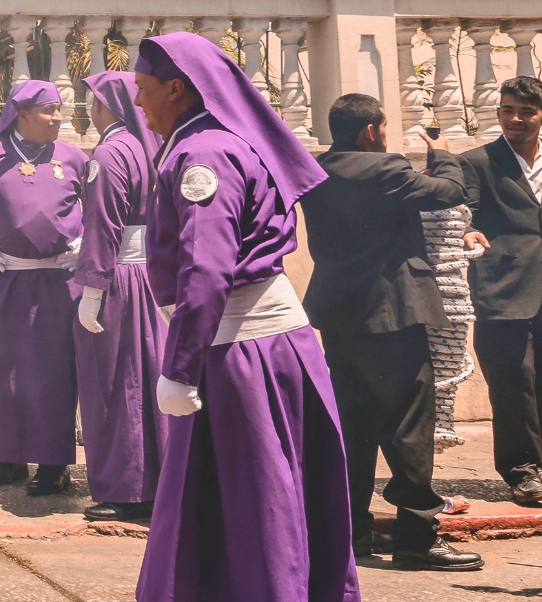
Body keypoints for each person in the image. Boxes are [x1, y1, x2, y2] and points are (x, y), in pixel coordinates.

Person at [132, 31, 358, 602]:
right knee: (248, 495)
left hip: (240, 351)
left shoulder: (202, 154)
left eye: (144, 88)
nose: (137, 101)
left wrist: (179, 367)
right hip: (250, 343)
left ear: (176, 89)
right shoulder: (208, 142)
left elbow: (207, 271)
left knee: (256, 497)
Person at [301, 92, 482, 570]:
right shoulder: (384, 170)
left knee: (354, 429)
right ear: (370, 130)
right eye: (383, 124)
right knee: (408, 428)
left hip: (341, 317)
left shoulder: (318, 170)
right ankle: (416, 539)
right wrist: (441, 154)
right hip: (394, 316)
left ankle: (352, 534)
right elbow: (448, 193)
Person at [0, 81, 85, 496]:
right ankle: (10, 460)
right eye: (48, 110)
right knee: (5, 371)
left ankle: (53, 464)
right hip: (5, 276)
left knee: (54, 374)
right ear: (22, 115)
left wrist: (88, 239)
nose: (58, 117)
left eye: (60, 109)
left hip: (59, 281)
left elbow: (105, 204)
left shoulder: (75, 157)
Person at [71, 71, 167, 523]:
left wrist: (91, 285)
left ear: (104, 104)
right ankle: (156, 481)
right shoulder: (148, 146)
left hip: (118, 279)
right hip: (149, 274)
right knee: (148, 379)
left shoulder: (110, 152)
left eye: (93, 100)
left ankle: (125, 488)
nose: (90, 109)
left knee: (113, 383)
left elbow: (102, 226)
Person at [462, 75, 542, 509]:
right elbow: (460, 212)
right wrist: (468, 230)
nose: (516, 118)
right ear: (497, 114)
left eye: (526, 111)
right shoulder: (478, 161)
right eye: (508, 109)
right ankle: (522, 470)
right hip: (503, 286)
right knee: (514, 381)